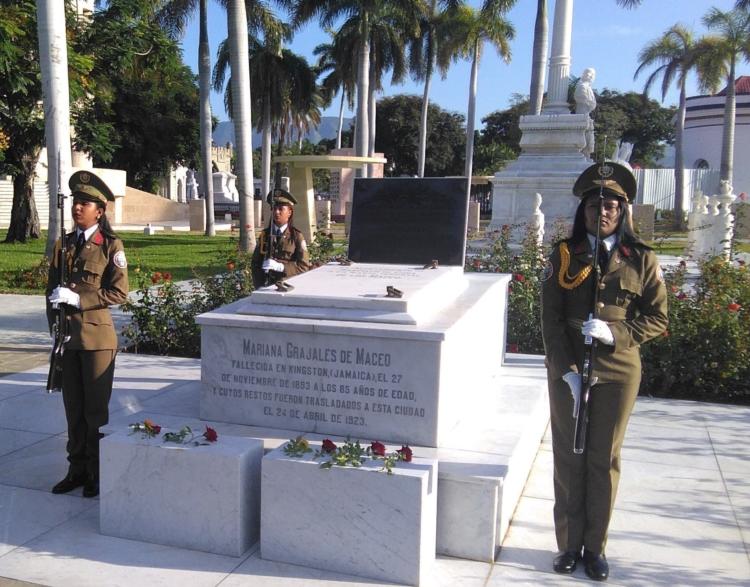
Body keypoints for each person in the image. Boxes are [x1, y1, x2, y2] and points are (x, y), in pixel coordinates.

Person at [540, 162, 668, 581]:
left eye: (611, 205)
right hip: (569, 368)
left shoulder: (642, 258)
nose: (603, 212)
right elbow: (550, 318)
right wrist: (566, 370)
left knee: (603, 457)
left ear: (622, 210)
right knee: (568, 456)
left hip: (618, 370)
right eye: (595, 205)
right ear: (585, 211)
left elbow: (657, 318)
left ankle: (595, 548)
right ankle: (568, 545)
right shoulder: (564, 254)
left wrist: (615, 333)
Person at [46, 170, 129, 498]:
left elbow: (119, 293)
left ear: (100, 210)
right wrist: (55, 327)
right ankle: (76, 469)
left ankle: (95, 471)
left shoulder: (110, 245)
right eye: (75, 202)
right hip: (68, 340)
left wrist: (79, 299)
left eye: (85, 203)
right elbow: (51, 292)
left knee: (95, 413)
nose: (77, 207)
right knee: (73, 410)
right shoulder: (63, 244)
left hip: (97, 342)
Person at [251, 188, 310, 287]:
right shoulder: (265, 235)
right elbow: (255, 264)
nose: (276, 212)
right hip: (267, 286)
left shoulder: (296, 236)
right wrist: (259, 286)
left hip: (288, 286)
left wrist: (282, 267)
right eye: (274, 208)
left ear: (289, 212)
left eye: (281, 209)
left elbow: (304, 266)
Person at [574, 68, 597, 160]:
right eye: (589, 73)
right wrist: (590, 103)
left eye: (592, 74)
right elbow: (581, 98)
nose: (590, 76)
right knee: (583, 135)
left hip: (587, 115)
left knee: (589, 137)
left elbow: (593, 103)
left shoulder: (589, 88)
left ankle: (586, 155)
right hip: (581, 114)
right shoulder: (581, 86)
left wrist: (591, 104)